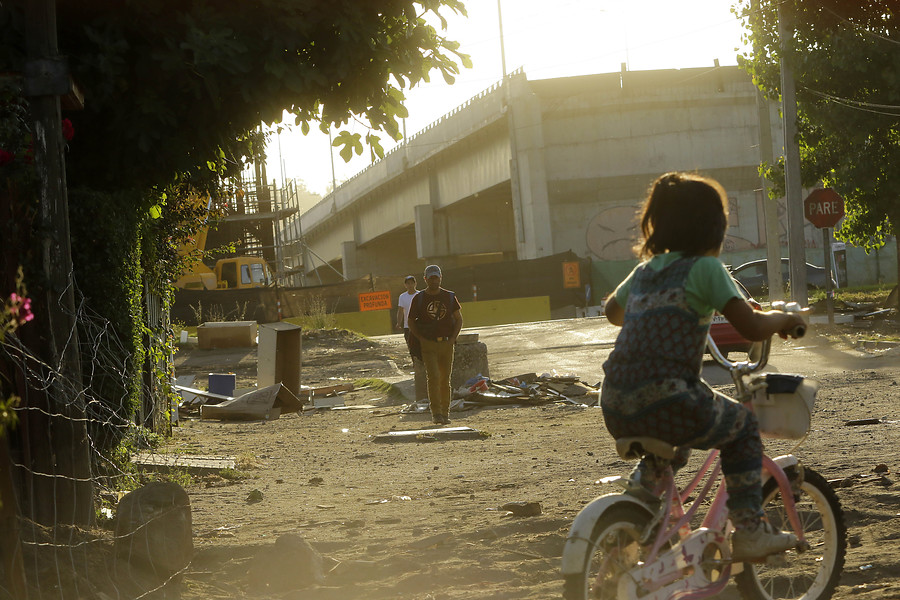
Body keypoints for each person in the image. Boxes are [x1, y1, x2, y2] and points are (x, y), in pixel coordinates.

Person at [600, 172, 806, 562]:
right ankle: (749, 530)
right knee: (742, 427)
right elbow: (750, 326)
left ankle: (637, 503)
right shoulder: (706, 270)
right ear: (713, 226)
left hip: (614, 399)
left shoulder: (646, 271)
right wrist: (781, 318)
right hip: (670, 397)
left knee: (671, 441)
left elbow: (613, 312)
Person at [407, 264, 462, 425]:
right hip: (428, 345)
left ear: (440, 278)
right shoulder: (419, 298)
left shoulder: (450, 297)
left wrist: (453, 338)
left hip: (446, 343)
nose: (433, 280)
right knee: (434, 378)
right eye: (430, 278)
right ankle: (436, 413)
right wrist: (420, 338)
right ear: (425, 279)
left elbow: (459, 318)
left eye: (436, 277)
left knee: (445, 379)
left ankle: (445, 414)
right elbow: (411, 321)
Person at [396, 275, 420, 360]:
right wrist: (399, 323)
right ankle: (415, 362)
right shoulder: (402, 297)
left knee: (420, 345)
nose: (410, 285)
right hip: (407, 326)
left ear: (415, 284)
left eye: (412, 283)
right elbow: (400, 310)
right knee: (410, 346)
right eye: (408, 283)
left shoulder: (420, 295)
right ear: (405, 285)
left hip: (419, 325)